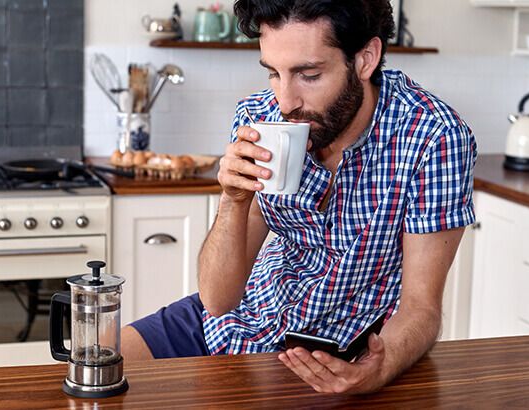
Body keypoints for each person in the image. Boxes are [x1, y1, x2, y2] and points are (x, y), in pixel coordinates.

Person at [122, 0, 477, 394]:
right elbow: (219, 301)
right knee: (99, 365)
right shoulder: (258, 118)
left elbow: (421, 307)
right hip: (245, 315)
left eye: (308, 75)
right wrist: (232, 201)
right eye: (274, 73)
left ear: (365, 58)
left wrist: (378, 370)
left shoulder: (434, 138)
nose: (285, 101)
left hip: (335, 352)